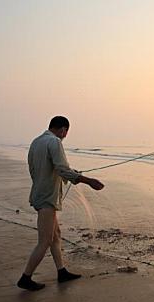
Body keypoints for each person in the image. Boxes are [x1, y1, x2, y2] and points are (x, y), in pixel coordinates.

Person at [17, 116, 104, 291]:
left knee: (56, 234)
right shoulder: (55, 142)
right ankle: (26, 278)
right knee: (45, 240)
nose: (65, 136)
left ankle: (61, 271)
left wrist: (71, 174)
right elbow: (62, 169)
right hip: (47, 198)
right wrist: (88, 181)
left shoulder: (36, 142)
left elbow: (38, 169)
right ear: (63, 129)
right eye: (66, 133)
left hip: (39, 194)